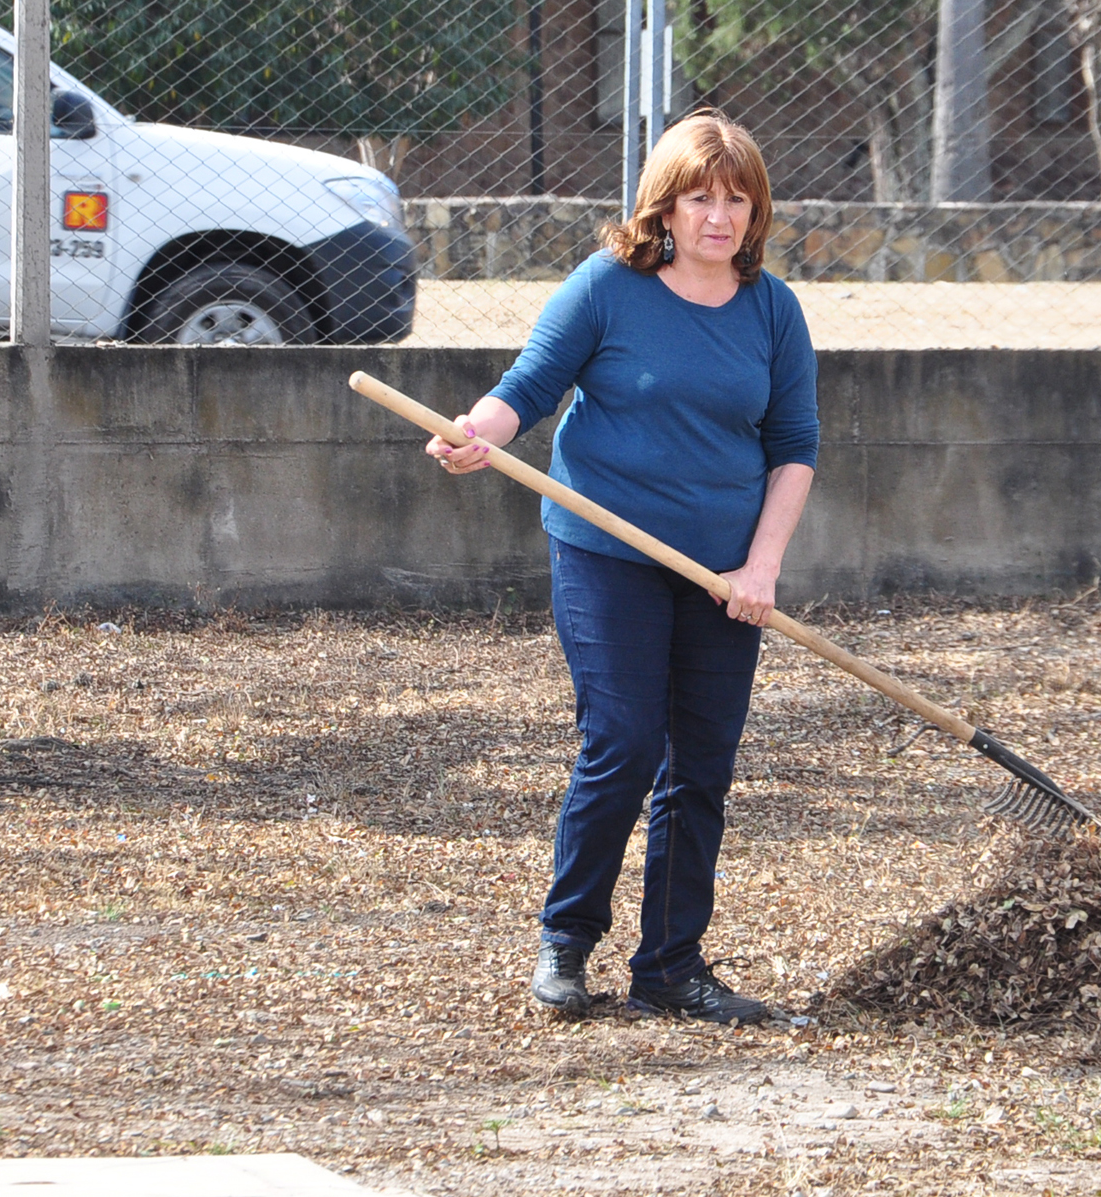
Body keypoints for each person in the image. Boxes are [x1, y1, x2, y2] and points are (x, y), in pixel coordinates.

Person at [427, 110, 819, 1025]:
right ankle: (566, 940)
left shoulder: (772, 307)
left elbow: (793, 446)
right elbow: (526, 388)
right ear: (665, 206)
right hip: (608, 553)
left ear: (755, 210)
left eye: (736, 198)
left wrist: (761, 567)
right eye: (699, 197)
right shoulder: (608, 285)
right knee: (627, 741)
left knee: (702, 764)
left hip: (723, 570)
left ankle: (671, 966)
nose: (718, 217)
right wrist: (477, 435)